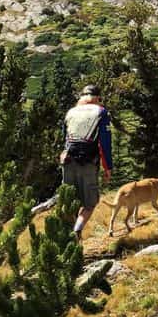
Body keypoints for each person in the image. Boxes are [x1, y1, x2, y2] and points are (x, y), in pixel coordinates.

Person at [61, 84, 113, 239]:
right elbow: (105, 142)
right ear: (97, 97)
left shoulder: (70, 112)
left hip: (68, 160)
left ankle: (66, 238)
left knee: (69, 200)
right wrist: (107, 167)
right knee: (89, 203)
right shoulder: (101, 112)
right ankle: (77, 230)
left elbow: (64, 137)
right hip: (88, 161)